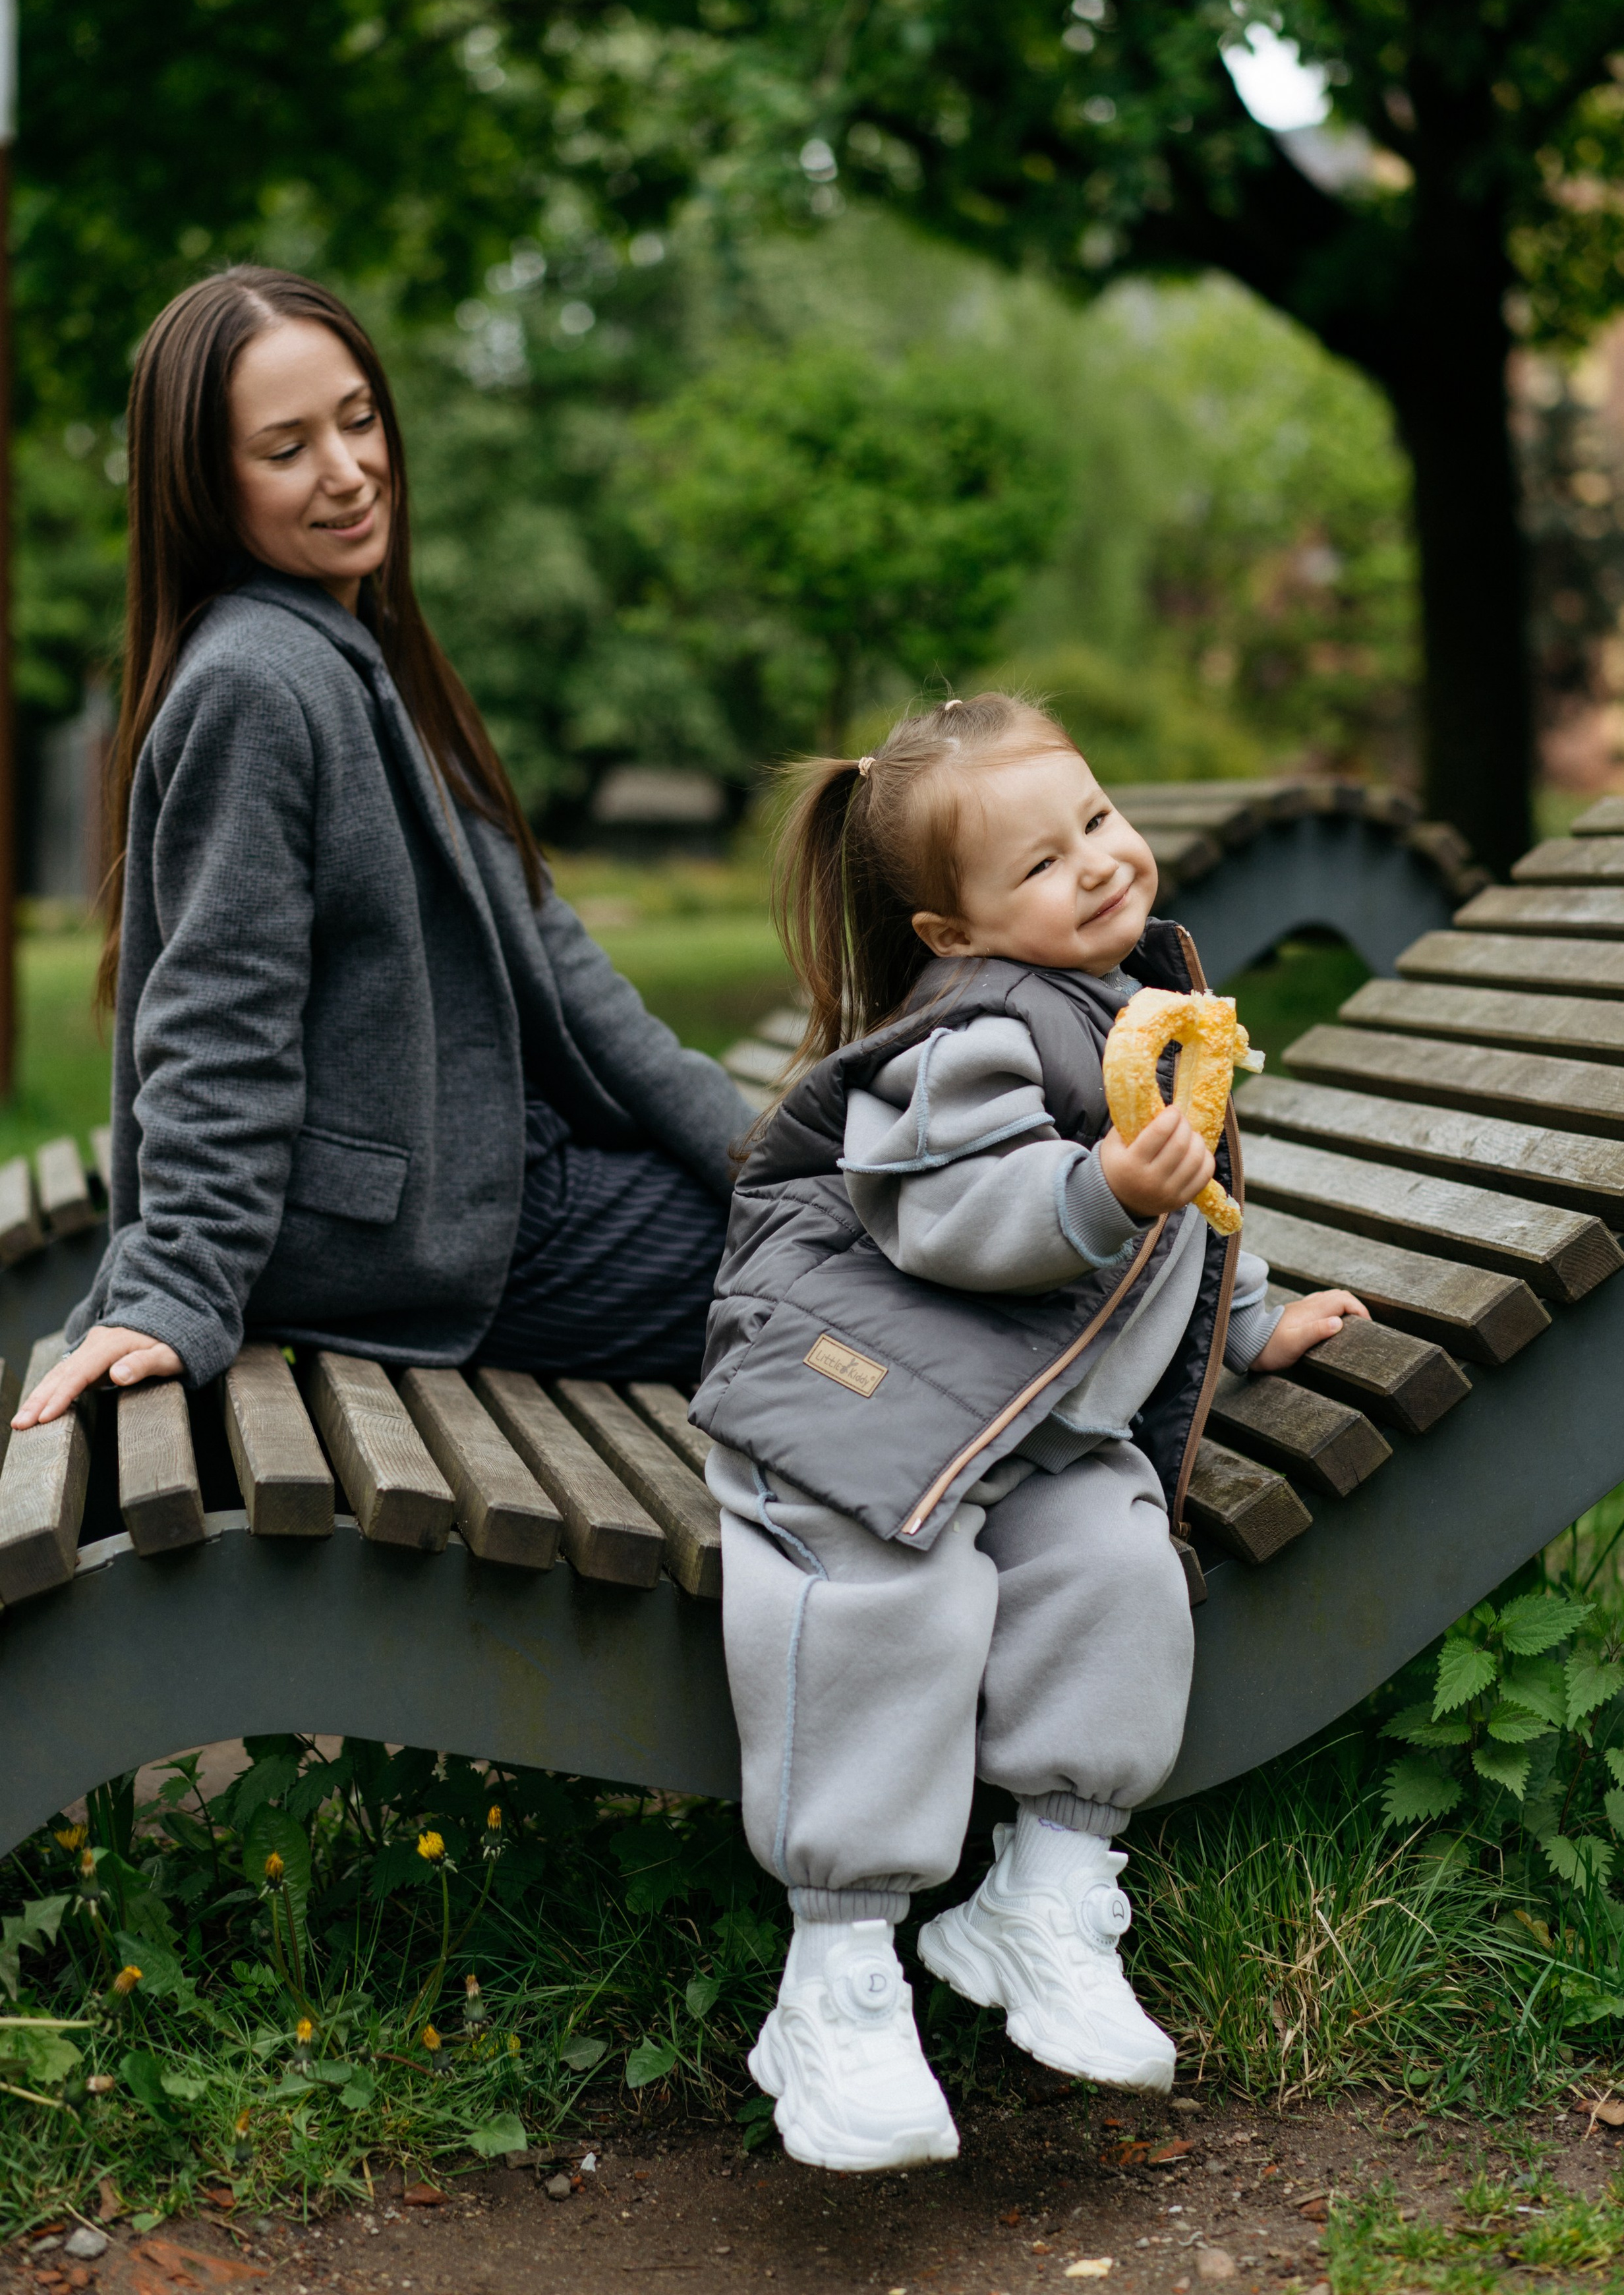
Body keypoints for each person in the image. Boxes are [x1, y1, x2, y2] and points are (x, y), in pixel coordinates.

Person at [691, 693, 1366, 2173]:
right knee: (890, 1597)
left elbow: (1183, 1204)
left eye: (1097, 822)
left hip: (1022, 1429)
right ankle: (837, 1972)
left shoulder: (1132, 999)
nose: (1097, 865)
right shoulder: (976, 1031)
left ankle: (1044, 1892)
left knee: (1118, 1570)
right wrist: (1095, 1196)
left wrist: (1251, 1320)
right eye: (1043, 865)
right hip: (856, 1407)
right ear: (952, 932)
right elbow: (952, 1216)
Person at [13, 266, 751, 1437]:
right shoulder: (258, 683)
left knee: (846, 1219)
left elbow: (552, 954)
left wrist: (752, 1146)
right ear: (206, 485)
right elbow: (220, 1014)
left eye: (358, 420)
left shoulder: (358, 642)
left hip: (494, 1176)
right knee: (856, 1277)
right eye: (286, 447)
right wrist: (182, 1282)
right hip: (431, 1233)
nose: (349, 470)